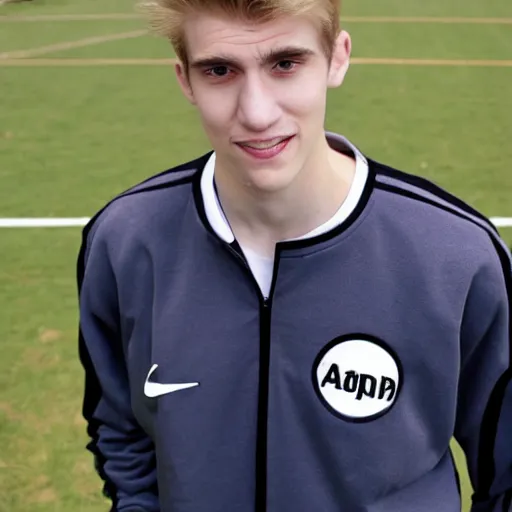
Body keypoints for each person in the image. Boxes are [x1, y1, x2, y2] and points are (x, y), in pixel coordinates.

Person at [77, 0, 512, 511]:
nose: (257, 112)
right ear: (185, 80)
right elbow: (121, 432)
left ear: (337, 58)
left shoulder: (455, 255)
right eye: (220, 70)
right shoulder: (126, 242)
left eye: (285, 64)